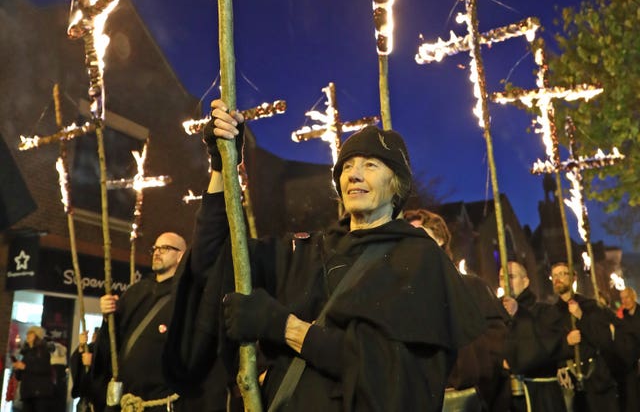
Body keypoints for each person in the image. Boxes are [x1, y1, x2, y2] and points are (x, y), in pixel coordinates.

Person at [163, 101, 487, 412]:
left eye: (370, 166)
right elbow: (217, 256)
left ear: (397, 185)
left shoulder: (419, 260)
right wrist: (224, 166)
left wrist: (283, 326)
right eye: (347, 167)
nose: (354, 175)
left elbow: (395, 378)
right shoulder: (308, 251)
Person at [405, 208, 510, 412]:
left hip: (468, 399)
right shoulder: (400, 294)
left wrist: (468, 367)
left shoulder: (472, 287)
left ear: (440, 239)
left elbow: (498, 339)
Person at [90, 232, 187, 410]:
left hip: (160, 401)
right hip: (125, 400)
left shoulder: (186, 297)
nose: (157, 252)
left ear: (180, 256)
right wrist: (108, 315)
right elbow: (113, 339)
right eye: (155, 248)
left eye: (165, 248)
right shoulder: (136, 291)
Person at [549, 261, 619, 412]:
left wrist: (581, 316)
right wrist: (566, 342)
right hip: (570, 385)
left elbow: (604, 339)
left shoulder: (590, 306)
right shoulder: (551, 314)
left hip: (597, 382)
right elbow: (550, 347)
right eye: (554, 275)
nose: (557, 278)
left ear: (574, 277)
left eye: (562, 274)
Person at [499, 260, 566, 411]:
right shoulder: (495, 313)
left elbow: (544, 350)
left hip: (540, 396)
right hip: (506, 398)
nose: (506, 283)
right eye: (502, 278)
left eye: (511, 276)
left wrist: (519, 314)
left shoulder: (545, 312)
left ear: (525, 281)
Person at [11, 326, 54, 412]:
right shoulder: (27, 352)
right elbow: (20, 377)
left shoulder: (43, 351)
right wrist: (17, 368)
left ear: (37, 336)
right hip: (27, 394)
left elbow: (44, 368)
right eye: (28, 333)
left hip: (39, 394)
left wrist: (25, 367)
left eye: (31, 333)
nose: (28, 335)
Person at [69, 329, 98, 411]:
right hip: (86, 398)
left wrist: (92, 362)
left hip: (99, 397)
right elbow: (75, 361)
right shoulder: (90, 348)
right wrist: (81, 347)